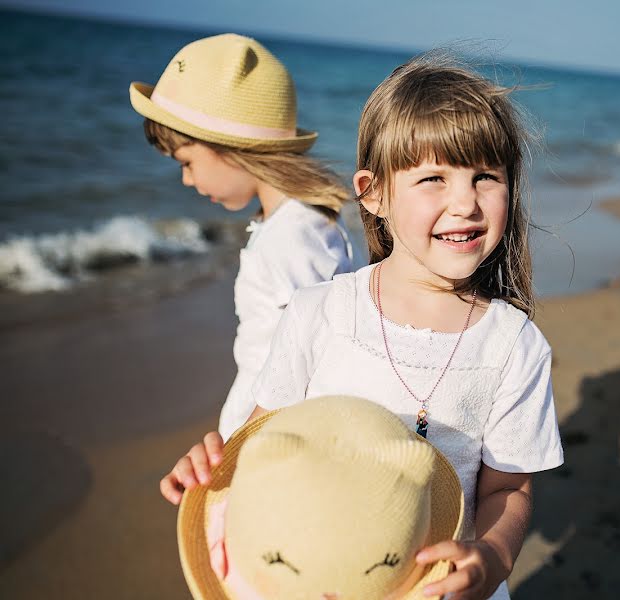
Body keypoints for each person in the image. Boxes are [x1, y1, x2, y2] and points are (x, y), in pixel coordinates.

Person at [161, 51, 564, 600]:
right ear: (374, 193)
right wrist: (212, 471)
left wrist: (490, 559)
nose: (466, 202)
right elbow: (262, 441)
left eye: (486, 177)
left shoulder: (513, 347)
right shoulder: (319, 313)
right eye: (433, 178)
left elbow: (509, 488)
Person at [129, 34, 354, 440]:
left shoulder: (293, 238)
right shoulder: (295, 224)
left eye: (187, 162)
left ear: (230, 148)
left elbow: (309, 364)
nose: (186, 179)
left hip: (266, 441)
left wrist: (248, 453)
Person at [178, 395, 464, 600]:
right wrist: (208, 465)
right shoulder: (313, 315)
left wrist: (497, 550)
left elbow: (503, 486)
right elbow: (261, 438)